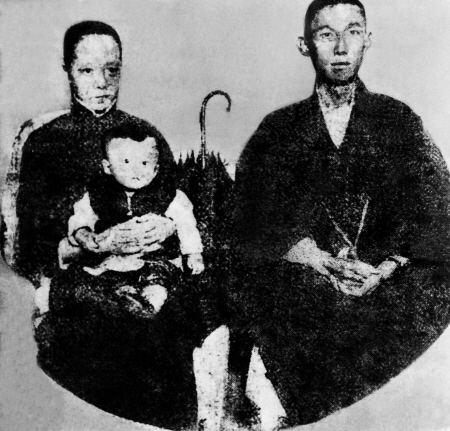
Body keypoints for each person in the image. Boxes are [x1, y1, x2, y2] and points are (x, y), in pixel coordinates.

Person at [231, 0, 450, 428]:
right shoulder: (278, 130)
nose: (341, 48)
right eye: (326, 34)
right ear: (305, 45)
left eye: (352, 32)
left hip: (387, 282)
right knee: (269, 290)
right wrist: (317, 260)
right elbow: (249, 220)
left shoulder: (398, 121)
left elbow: (436, 210)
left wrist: (385, 268)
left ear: (368, 39)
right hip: (309, 285)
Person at [5, 20, 200, 429]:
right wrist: (96, 243)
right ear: (67, 69)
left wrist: (166, 229)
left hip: (151, 273)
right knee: (99, 322)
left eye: (112, 70)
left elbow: (181, 210)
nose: (102, 83)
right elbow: (30, 248)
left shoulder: (146, 136)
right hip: (82, 280)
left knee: (171, 318)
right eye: (87, 70)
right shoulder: (45, 142)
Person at [52, 123, 204, 316]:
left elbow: (186, 224)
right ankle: (125, 296)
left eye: (144, 163)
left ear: (156, 169)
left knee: (158, 280)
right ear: (107, 167)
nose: (136, 171)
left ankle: (149, 304)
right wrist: (82, 233)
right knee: (101, 278)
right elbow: (81, 215)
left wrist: (193, 253)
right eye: (126, 162)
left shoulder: (169, 195)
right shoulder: (99, 194)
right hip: (115, 258)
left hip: (155, 258)